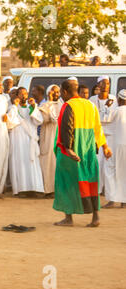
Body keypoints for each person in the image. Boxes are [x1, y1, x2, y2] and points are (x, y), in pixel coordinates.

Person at [53, 80, 112, 227]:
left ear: (65, 92)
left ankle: (68, 218)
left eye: (61, 92)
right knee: (90, 181)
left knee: (66, 182)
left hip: (71, 151)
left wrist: (68, 149)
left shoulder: (68, 106)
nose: (61, 95)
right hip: (89, 151)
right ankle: (95, 217)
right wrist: (104, 146)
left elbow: (67, 128)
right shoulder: (90, 105)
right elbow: (97, 128)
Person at [7, 87, 44, 197]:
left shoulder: (31, 107)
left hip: (30, 139)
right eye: (21, 94)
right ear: (17, 95)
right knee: (20, 161)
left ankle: (34, 188)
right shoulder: (12, 107)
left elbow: (38, 121)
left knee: (31, 162)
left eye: (25, 94)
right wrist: (14, 106)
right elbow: (10, 122)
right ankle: (22, 189)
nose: (23, 96)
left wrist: (34, 107)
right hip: (18, 138)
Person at [89, 76, 117, 204]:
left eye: (108, 83)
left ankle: (110, 196)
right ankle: (96, 192)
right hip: (96, 137)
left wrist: (105, 110)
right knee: (97, 166)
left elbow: (111, 118)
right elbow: (92, 119)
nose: (106, 85)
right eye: (103, 83)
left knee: (109, 167)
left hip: (110, 138)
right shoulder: (92, 100)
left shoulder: (114, 100)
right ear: (98, 85)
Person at [39, 84, 63, 196]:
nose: (56, 94)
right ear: (49, 93)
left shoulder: (62, 105)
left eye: (57, 92)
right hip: (48, 136)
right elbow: (42, 120)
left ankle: (59, 189)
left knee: (58, 162)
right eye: (53, 92)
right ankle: (48, 189)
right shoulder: (44, 105)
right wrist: (49, 115)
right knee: (48, 161)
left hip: (59, 136)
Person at [103, 90, 126, 208]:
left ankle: (112, 200)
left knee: (110, 170)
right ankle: (124, 202)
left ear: (119, 100)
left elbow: (104, 121)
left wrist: (106, 107)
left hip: (116, 145)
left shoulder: (116, 110)